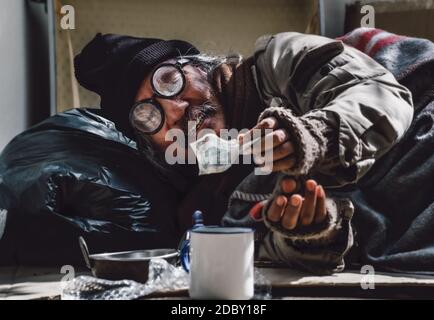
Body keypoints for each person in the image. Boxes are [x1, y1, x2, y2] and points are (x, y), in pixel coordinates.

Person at [73, 31, 414, 274]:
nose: (176, 111)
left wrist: (311, 135)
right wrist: (313, 230)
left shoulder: (278, 62)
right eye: (148, 116)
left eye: (168, 81)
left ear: (196, 67)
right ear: (155, 148)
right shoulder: (206, 213)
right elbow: (276, 254)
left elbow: (379, 94)